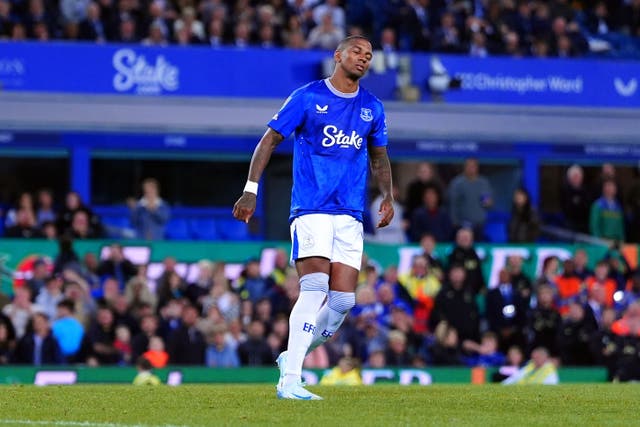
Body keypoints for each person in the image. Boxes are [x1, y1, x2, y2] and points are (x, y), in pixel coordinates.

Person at [232, 35, 394, 400]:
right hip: (311, 208)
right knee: (314, 288)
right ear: (338, 55)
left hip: (350, 214)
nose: (363, 58)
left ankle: (292, 355)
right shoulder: (307, 97)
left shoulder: (373, 107)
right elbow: (269, 140)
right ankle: (290, 380)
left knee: (342, 303)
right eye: (356, 51)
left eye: (369, 55)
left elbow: (379, 156)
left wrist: (388, 196)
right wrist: (251, 189)